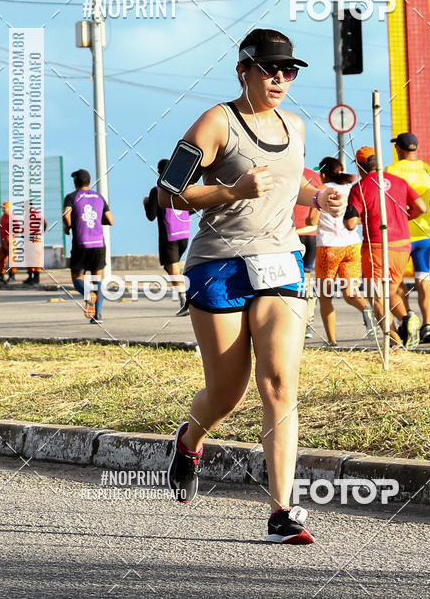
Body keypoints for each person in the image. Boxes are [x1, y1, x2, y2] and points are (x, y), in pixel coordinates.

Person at [160, 28, 345, 544]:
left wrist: (319, 197)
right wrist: (230, 190)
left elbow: (292, 183)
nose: (281, 79)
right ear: (243, 70)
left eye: (289, 71)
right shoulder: (218, 121)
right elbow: (168, 192)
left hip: (282, 260)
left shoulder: (295, 125)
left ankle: (282, 510)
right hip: (218, 264)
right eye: (270, 69)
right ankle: (190, 438)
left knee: (280, 381)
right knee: (228, 390)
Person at [344, 147, 426, 348]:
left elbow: (350, 224)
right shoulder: (399, 181)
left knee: (376, 297)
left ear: (360, 166)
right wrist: (402, 218)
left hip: (377, 247)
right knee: (389, 292)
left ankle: (395, 343)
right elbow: (421, 207)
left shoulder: (360, 187)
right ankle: (408, 319)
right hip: (402, 245)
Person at [314, 156, 375, 344]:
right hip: (352, 245)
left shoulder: (322, 191)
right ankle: (366, 309)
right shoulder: (351, 189)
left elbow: (311, 219)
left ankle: (332, 342)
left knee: (325, 296)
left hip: (328, 247)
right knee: (350, 292)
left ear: (323, 173)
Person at [386, 132, 430, 344]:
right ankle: (427, 325)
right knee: (424, 281)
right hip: (425, 234)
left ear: (398, 148)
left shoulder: (391, 170)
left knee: (396, 284)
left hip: (400, 236)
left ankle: (408, 321)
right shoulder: (428, 170)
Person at [62, 169, 114, 323]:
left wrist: (68, 227)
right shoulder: (99, 197)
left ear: (75, 183)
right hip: (98, 244)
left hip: (81, 243)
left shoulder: (72, 197)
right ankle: (98, 315)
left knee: (77, 277)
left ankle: (88, 294)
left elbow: (66, 215)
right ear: (89, 182)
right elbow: (110, 220)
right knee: (97, 278)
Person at [144, 159, 191, 315]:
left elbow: (151, 216)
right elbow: (193, 208)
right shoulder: (182, 187)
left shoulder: (157, 190)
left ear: (159, 172)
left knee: (173, 268)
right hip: (184, 233)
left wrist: (146, 203)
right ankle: (184, 294)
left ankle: (185, 302)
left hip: (169, 235)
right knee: (171, 267)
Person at [292, 164, 322, 339]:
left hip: (290, 233)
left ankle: (294, 320)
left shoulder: (285, 168)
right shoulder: (314, 176)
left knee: (289, 280)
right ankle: (308, 322)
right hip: (311, 234)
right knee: (307, 278)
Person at [23, 204, 47, 285]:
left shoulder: (35, 213)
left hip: (35, 237)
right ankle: (30, 276)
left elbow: (44, 222)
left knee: (36, 257)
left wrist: (42, 232)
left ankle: (36, 277)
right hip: (27, 238)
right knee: (28, 258)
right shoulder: (26, 215)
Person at [0, 201, 17, 286]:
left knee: (12, 258)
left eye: (5, 208)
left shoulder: (12, 217)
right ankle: (1, 276)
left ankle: (12, 276)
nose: (3, 209)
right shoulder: (3, 217)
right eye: (3, 208)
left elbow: (18, 228)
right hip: (3, 240)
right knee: (1, 258)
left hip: (10, 240)